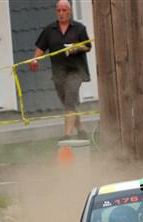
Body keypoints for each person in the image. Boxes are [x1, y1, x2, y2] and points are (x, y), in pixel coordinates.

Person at [29, 0, 91, 140]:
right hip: (58, 73)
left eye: (64, 10)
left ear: (70, 12)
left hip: (76, 71)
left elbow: (88, 46)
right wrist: (35, 60)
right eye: (59, 10)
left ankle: (67, 136)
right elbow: (41, 48)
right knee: (69, 103)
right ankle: (81, 129)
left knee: (70, 100)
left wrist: (77, 47)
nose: (61, 13)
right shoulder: (49, 30)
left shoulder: (79, 29)